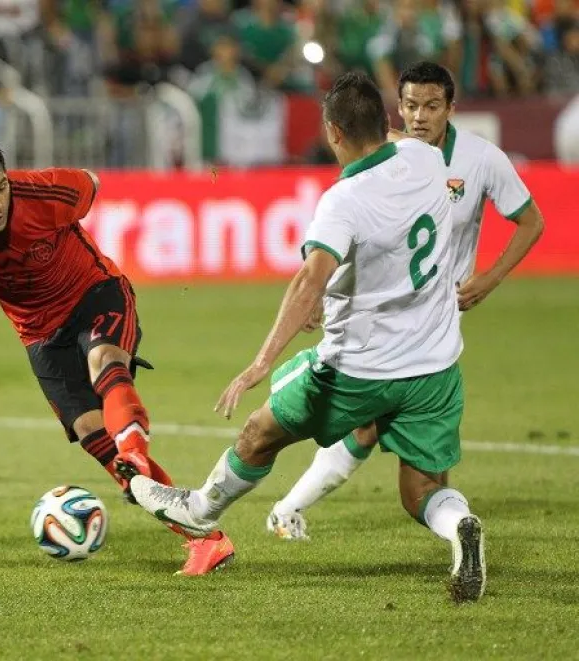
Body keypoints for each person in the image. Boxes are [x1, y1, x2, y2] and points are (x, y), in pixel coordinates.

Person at [127, 72, 487, 602]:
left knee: (259, 431)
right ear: (387, 122)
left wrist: (258, 363)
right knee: (423, 492)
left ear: (333, 134)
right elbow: (391, 155)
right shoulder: (427, 159)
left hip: (359, 372)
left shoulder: (342, 201)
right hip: (435, 368)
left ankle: (200, 512)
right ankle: (460, 528)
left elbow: (308, 278)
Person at [0, 137, 235, 576]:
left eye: (0, 188)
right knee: (89, 429)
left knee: (105, 361)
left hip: (94, 294)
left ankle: (135, 449)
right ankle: (206, 540)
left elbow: (92, 183)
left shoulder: (42, 192)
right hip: (39, 332)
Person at [267, 61, 544, 543]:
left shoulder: (480, 159)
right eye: (411, 105)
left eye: (432, 106)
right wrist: (319, 297)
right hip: (383, 318)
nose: (420, 116)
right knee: (375, 426)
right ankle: (449, 526)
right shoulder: (390, 155)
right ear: (398, 108)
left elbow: (531, 221)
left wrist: (491, 278)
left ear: (451, 109)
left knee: (377, 425)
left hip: (434, 317)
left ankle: (290, 508)